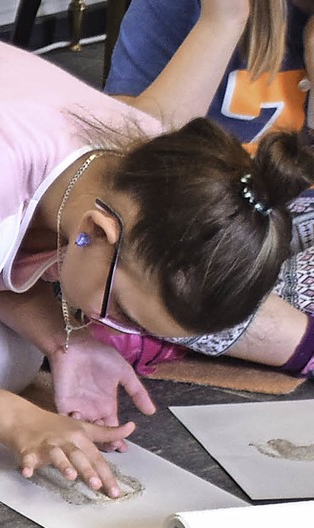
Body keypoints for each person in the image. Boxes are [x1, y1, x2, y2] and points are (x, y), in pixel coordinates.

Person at [0, 32, 314, 498]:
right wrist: (19, 420)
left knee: (8, 359)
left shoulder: (150, 172)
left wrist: (68, 342)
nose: (113, 326)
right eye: (122, 312)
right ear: (97, 232)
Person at [103, 0, 314, 374]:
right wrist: (221, 23)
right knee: (126, 263)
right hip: (206, 225)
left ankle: (168, 326)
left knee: (149, 292)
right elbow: (119, 161)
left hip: (295, 232)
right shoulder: (177, 8)